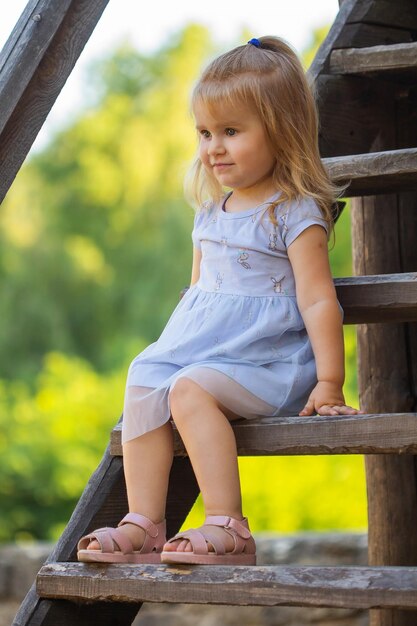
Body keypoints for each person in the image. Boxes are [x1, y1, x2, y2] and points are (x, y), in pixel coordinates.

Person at [77, 35, 362, 567]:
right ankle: (144, 522)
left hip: (270, 362)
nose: (214, 147)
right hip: (211, 353)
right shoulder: (210, 213)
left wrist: (329, 382)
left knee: (187, 390)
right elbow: (199, 293)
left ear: (281, 131)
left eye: (231, 132)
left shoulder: (293, 213)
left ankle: (228, 525)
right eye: (205, 133)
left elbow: (320, 301)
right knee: (144, 374)